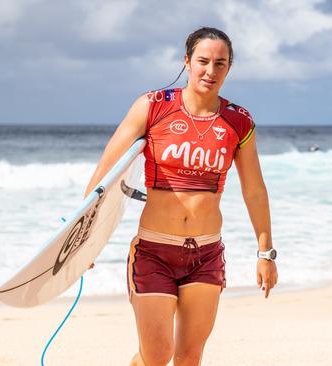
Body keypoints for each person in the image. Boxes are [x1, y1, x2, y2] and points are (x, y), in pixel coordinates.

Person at [84, 27, 278, 366]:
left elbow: (254, 190)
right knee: (157, 356)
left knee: (189, 357)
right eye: (203, 61)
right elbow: (106, 171)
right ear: (187, 61)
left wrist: (266, 252)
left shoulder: (238, 122)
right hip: (153, 251)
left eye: (221, 63)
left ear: (229, 67)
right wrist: (82, 239)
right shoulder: (153, 107)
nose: (210, 71)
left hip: (205, 253)